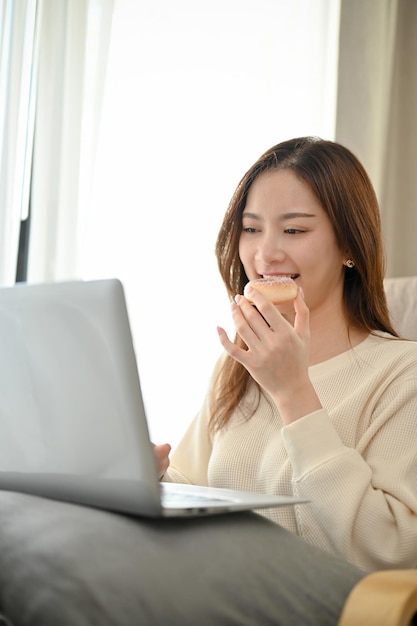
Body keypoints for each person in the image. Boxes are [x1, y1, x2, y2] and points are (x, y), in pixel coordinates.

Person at [154, 136, 417, 573]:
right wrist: (154, 478)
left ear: (349, 246)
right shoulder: (238, 365)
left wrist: (294, 391)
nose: (265, 254)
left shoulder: (401, 373)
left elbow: (390, 552)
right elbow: (194, 488)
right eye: (252, 228)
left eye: (294, 230)